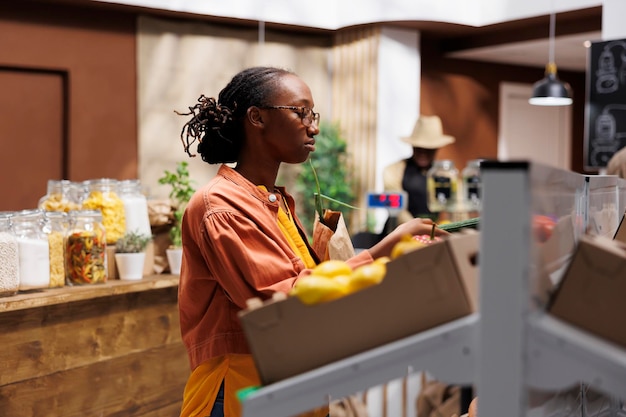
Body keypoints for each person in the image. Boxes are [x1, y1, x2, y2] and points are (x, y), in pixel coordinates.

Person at [174, 66, 448, 417]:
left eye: (312, 114)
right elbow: (283, 303)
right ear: (256, 118)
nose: (313, 127)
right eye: (301, 112)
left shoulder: (272, 200)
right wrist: (385, 250)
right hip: (242, 389)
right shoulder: (220, 205)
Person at [382, 115, 455, 227]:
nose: (423, 152)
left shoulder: (446, 174)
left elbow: (454, 206)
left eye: (429, 149)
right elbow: (398, 210)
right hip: (401, 233)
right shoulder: (393, 172)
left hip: (435, 232)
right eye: (419, 147)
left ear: (437, 148)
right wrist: (419, 228)